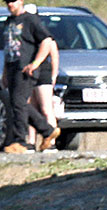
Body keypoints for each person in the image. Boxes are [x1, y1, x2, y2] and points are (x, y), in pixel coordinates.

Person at [2, 0, 60, 153]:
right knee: (17, 103)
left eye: (13, 1)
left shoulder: (30, 20)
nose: (10, 4)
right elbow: (9, 48)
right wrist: (5, 73)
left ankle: (20, 141)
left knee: (19, 103)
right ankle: (48, 131)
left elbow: (47, 41)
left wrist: (35, 63)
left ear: (21, 1)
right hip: (12, 68)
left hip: (26, 69)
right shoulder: (9, 21)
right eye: (7, 2)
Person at [24, 3, 59, 150]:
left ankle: (51, 142)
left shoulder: (45, 36)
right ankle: (31, 142)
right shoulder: (24, 34)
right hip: (28, 74)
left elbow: (54, 57)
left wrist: (53, 77)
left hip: (43, 74)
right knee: (31, 108)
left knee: (46, 108)